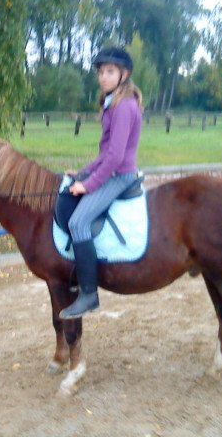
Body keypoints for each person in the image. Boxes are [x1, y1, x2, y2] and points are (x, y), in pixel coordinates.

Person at [59, 47, 143, 319]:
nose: (103, 77)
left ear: (124, 74)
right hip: (112, 170)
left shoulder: (123, 106)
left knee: (78, 222)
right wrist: (81, 173)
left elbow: (116, 157)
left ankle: (88, 294)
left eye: (109, 72)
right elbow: (104, 153)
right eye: (101, 72)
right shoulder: (112, 103)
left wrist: (89, 185)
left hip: (120, 176)